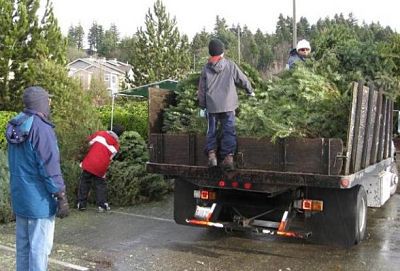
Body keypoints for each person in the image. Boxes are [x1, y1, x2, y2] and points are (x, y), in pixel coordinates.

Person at [5, 86, 69, 271]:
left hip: (21, 198)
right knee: (39, 251)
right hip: (39, 201)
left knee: (23, 249)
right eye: (48, 100)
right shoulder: (41, 129)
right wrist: (60, 194)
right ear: (41, 103)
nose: (50, 103)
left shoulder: (15, 125)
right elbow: (49, 167)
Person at [198, 39, 255, 171]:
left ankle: (212, 156)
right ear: (222, 51)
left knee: (211, 131)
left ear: (210, 52)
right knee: (229, 130)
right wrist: (250, 91)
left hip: (212, 106)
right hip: (229, 105)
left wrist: (202, 106)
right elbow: (243, 79)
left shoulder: (206, 68)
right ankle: (228, 158)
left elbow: (202, 89)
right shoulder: (230, 65)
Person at [77, 124, 124, 212]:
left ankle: (81, 204)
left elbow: (88, 143)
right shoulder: (116, 146)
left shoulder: (100, 134)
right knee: (100, 185)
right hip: (101, 166)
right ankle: (102, 205)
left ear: (111, 129)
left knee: (85, 182)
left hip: (89, 162)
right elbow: (110, 158)